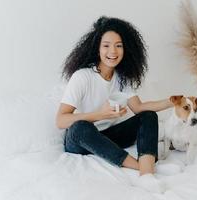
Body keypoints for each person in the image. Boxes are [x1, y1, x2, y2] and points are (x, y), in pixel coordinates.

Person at [56, 16, 173, 193]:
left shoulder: (122, 78)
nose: (113, 51)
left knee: (148, 116)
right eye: (106, 45)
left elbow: (139, 108)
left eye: (118, 45)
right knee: (80, 127)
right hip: (81, 140)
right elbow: (61, 120)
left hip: (108, 137)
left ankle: (146, 173)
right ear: (97, 48)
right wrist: (100, 115)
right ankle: (145, 169)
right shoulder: (82, 77)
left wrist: (171, 101)